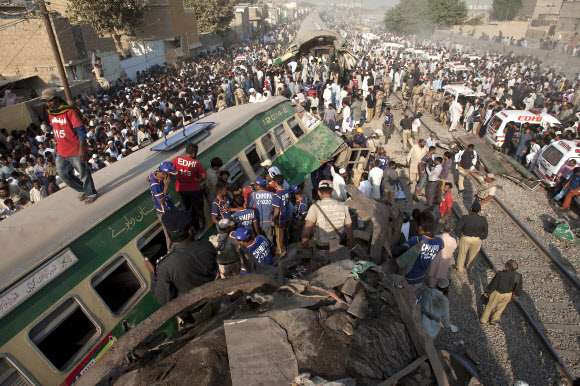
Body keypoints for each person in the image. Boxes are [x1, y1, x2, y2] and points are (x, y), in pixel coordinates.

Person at [146, 210, 217, 312]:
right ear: (189, 231)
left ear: (170, 236)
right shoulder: (206, 244)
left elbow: (163, 299)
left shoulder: (165, 266)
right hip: (214, 298)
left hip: (193, 312)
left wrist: (152, 272)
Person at [41, 88, 98, 203]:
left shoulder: (70, 112)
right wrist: (56, 143)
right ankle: (82, 188)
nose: (48, 104)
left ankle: (91, 193)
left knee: (84, 173)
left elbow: (81, 130)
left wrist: (82, 148)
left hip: (75, 149)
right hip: (62, 150)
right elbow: (55, 129)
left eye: (50, 101)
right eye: (46, 102)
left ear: (57, 98)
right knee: (63, 175)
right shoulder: (51, 113)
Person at [301, 180, 355, 267]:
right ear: (332, 192)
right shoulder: (343, 206)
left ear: (319, 192)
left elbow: (306, 231)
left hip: (322, 250)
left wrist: (303, 245)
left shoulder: (315, 207)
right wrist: (351, 250)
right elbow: (350, 231)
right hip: (340, 248)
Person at [392, 211, 443, 285]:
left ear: (420, 228)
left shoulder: (416, 240)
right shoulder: (439, 242)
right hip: (420, 278)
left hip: (407, 278)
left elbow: (398, 251)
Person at [173, 143, 206, 232]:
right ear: (193, 153)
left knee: (186, 210)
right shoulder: (196, 163)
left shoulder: (177, 159)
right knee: (198, 209)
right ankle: (201, 227)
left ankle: (190, 229)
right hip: (195, 190)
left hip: (181, 190)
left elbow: (170, 169)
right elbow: (204, 176)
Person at [480, 260, 522, 325]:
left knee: (489, 307)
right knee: (500, 309)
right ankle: (493, 321)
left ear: (507, 267)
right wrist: (517, 294)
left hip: (497, 293)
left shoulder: (501, 274)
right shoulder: (518, 276)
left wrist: (487, 292)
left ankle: (483, 320)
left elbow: (494, 284)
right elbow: (519, 286)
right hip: (508, 295)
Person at [149, 161, 178, 249]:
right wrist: (165, 186)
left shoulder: (155, 173)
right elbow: (161, 201)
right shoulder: (155, 184)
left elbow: (147, 178)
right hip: (164, 212)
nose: (170, 176)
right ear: (163, 173)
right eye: (169, 174)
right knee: (170, 235)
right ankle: (170, 251)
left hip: (170, 207)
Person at [455, 201, 488, 272]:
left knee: (462, 253)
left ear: (471, 209)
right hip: (477, 239)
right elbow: (485, 232)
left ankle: (460, 268)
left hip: (466, 238)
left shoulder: (465, 218)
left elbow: (458, 228)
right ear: (479, 210)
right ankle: (470, 267)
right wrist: (482, 237)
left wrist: (460, 235)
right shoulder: (483, 219)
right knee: (473, 255)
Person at [426, 221, 457, 288]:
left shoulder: (436, 237)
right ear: (451, 230)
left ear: (442, 228)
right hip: (446, 259)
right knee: (442, 271)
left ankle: (431, 285)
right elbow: (453, 249)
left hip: (435, 258)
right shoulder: (453, 240)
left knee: (432, 271)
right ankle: (441, 285)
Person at [247, 177, 274, 242]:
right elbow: (275, 208)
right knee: (270, 240)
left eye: (255, 185)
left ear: (259, 186)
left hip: (257, 223)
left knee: (260, 241)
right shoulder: (272, 194)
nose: (254, 186)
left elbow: (248, 208)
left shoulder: (253, 195)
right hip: (269, 222)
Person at [271, 174, 291, 255]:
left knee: (279, 237)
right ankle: (286, 247)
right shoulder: (286, 190)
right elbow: (288, 202)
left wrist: (273, 219)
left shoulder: (276, 195)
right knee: (286, 234)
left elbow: (276, 210)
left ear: (275, 182)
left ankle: (281, 251)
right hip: (286, 216)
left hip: (279, 219)